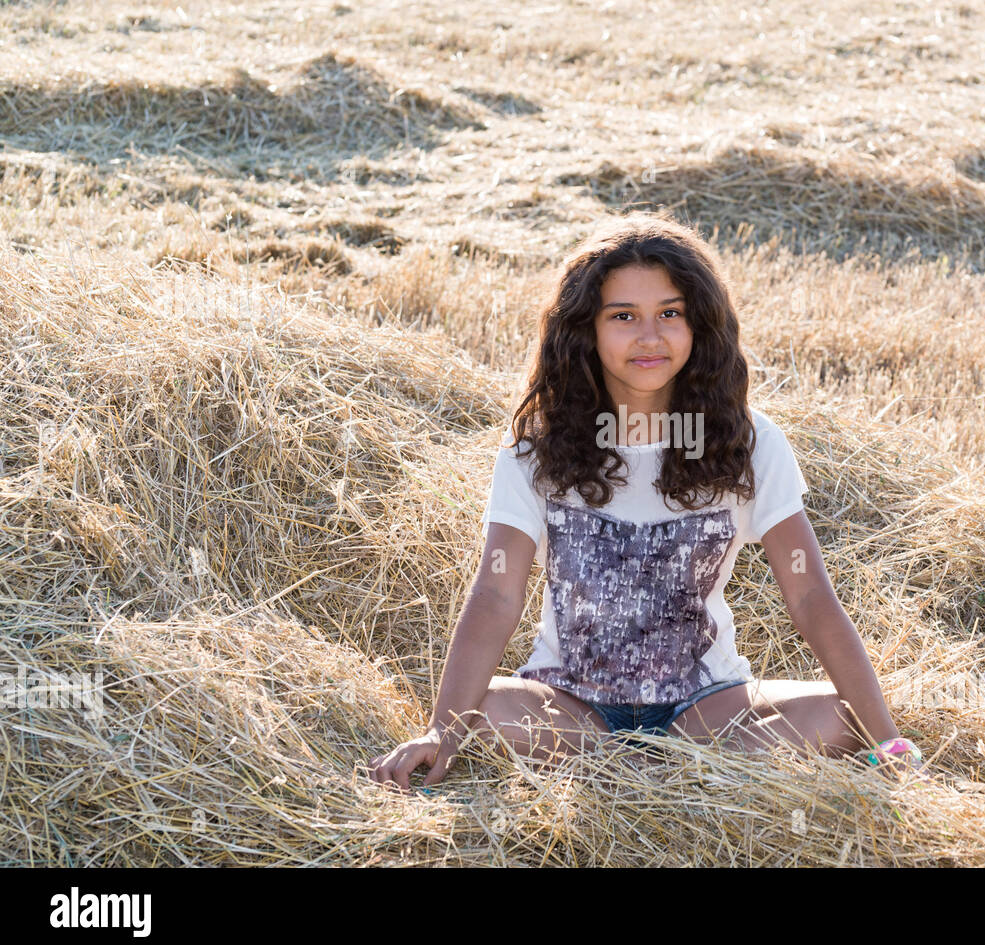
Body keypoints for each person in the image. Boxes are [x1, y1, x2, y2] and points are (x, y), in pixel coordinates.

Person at [368, 212, 925, 793]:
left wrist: (886, 739)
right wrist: (441, 731)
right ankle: (655, 773)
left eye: (670, 313)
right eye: (624, 316)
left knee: (842, 717)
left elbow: (809, 592)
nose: (650, 336)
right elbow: (495, 590)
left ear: (699, 325)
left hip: (707, 709)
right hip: (570, 708)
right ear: (586, 329)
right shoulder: (537, 447)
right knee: (481, 716)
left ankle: (647, 770)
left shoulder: (748, 442)